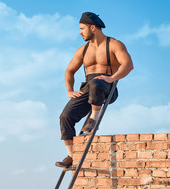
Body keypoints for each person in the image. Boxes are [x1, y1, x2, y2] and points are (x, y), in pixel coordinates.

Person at [55, 12, 134, 168]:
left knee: (96, 83)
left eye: (82, 28)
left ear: (93, 27)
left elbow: (128, 64)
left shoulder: (114, 44)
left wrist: (112, 78)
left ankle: (93, 118)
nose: (80, 32)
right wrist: (70, 91)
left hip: (107, 86)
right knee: (65, 116)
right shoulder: (82, 50)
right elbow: (69, 71)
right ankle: (71, 156)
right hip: (88, 88)